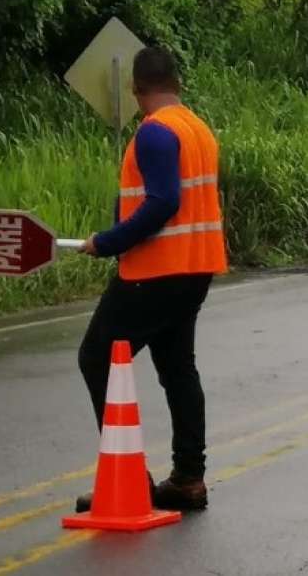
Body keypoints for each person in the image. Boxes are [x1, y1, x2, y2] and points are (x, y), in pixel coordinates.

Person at [75, 46, 227, 512]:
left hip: (155, 271)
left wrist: (109, 241)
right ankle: (187, 479)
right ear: (176, 83)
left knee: (96, 357)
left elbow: (162, 203)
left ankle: (128, 478)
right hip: (195, 268)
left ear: (137, 90)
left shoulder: (156, 133)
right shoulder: (197, 128)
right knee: (178, 367)